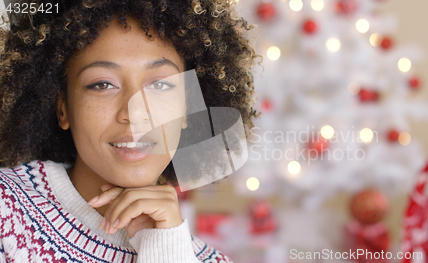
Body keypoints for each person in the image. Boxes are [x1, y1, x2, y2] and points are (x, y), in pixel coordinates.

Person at [0, 0, 259, 262]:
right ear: (62, 106)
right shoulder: (5, 210)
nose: (135, 113)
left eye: (160, 86)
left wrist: (167, 251)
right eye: (103, 84)